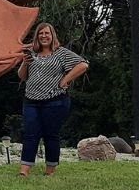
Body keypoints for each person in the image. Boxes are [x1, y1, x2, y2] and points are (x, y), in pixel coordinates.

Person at [16, 22, 88, 177]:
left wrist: (65, 80)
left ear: (52, 35)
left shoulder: (61, 53)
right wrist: (24, 64)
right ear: (37, 37)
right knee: (30, 133)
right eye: (40, 34)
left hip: (55, 100)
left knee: (51, 134)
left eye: (46, 33)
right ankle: (24, 170)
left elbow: (82, 65)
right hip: (31, 100)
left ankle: (50, 170)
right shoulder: (32, 54)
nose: (43, 36)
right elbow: (22, 77)